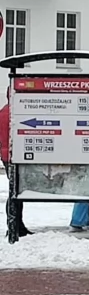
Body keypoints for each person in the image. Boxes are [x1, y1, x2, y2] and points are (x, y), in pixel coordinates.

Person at [0, 86, 31, 238]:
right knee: (15, 192)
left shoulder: (4, 111)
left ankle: (17, 225)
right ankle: (14, 226)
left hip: (7, 156)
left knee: (15, 190)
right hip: (15, 155)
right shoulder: (16, 111)